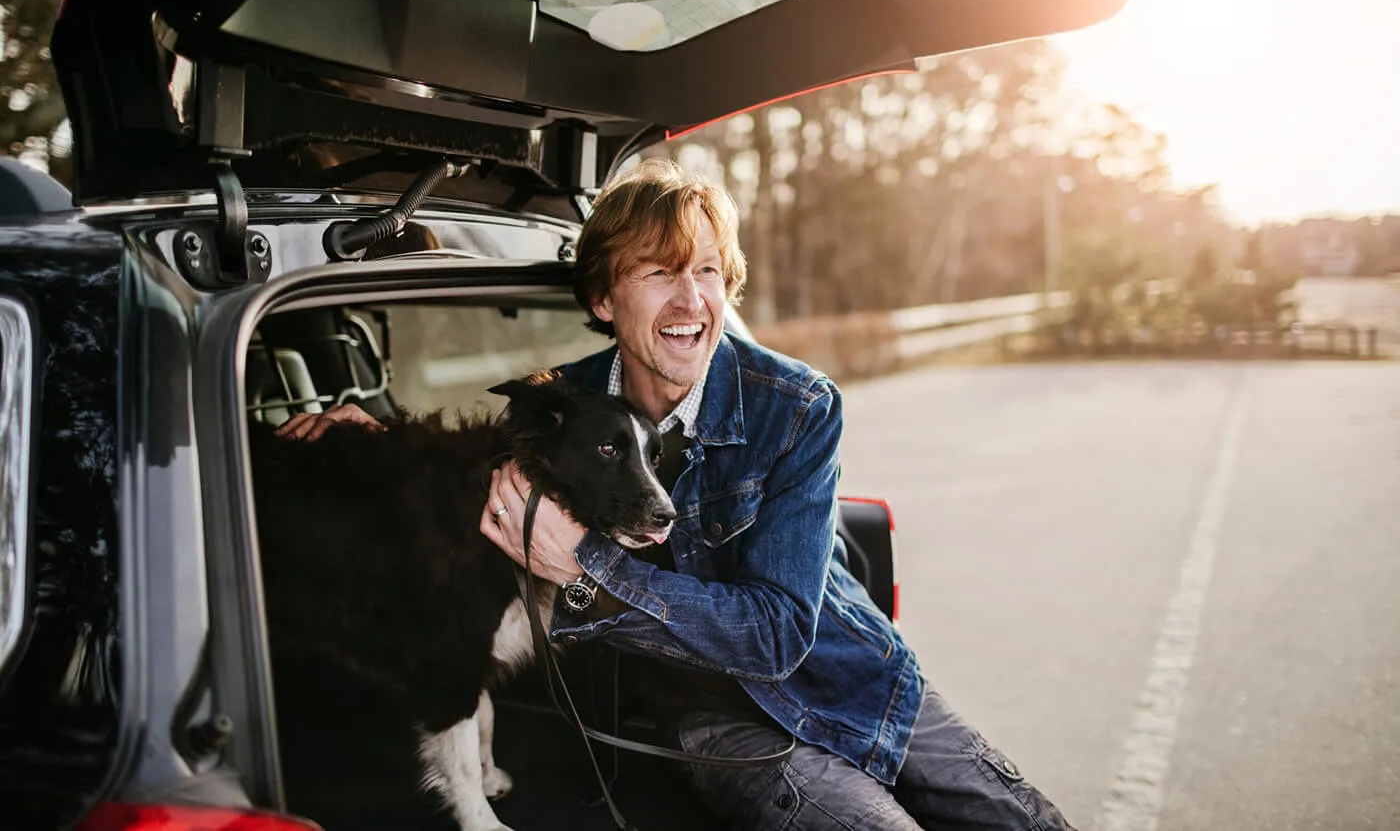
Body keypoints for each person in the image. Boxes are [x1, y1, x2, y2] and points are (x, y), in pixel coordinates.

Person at [277, 159, 1075, 830]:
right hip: (716, 722)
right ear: (603, 300)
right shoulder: (565, 410)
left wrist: (587, 562)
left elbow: (777, 637)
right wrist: (373, 435)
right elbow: (468, 479)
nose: (691, 300)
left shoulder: (794, 405)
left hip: (859, 679)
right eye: (659, 273)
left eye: (705, 272)